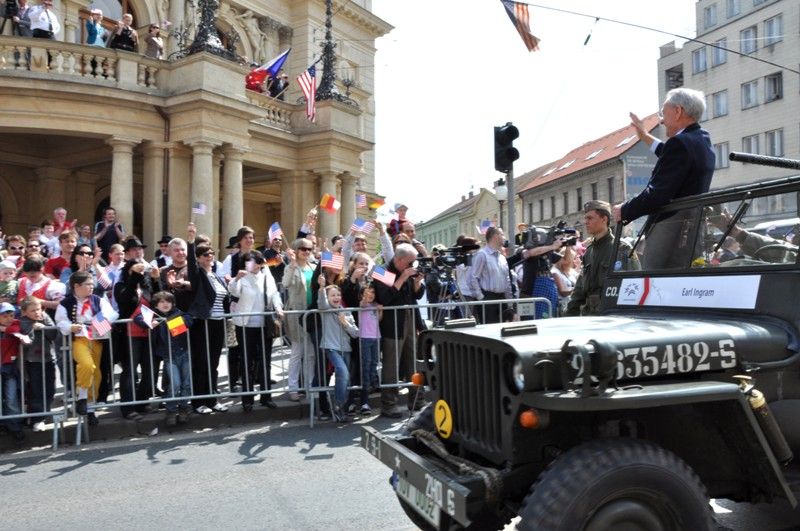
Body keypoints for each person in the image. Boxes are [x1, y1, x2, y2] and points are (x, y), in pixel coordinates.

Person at [613, 88, 715, 269]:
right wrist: (644, 137)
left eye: (663, 112)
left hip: (670, 235)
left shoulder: (680, 144)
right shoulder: (701, 139)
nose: (661, 120)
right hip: (689, 232)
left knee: (654, 286)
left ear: (678, 111)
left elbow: (658, 194)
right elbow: (671, 155)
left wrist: (625, 210)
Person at [55, 271, 118, 424]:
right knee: (86, 365)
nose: (91, 287)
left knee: (96, 373)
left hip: (96, 338)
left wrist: (101, 321)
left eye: (92, 284)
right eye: (88, 284)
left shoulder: (98, 299)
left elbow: (112, 314)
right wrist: (71, 327)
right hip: (79, 339)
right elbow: (60, 321)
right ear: (76, 286)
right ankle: (82, 398)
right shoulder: (66, 303)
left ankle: (90, 407)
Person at [373, 243, 426, 418]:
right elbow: (386, 297)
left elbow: (416, 295)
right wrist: (403, 277)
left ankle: (417, 400)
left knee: (413, 362)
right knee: (391, 366)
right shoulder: (382, 271)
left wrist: (417, 282)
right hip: (392, 322)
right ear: (398, 259)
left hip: (409, 318)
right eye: (409, 263)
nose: (412, 266)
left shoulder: (409, 270)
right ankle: (389, 405)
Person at [228, 250, 283, 411]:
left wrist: (278, 307)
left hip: (264, 324)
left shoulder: (266, 275)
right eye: (247, 261)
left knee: (265, 361)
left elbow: (274, 294)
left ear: (259, 263)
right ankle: (247, 399)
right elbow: (233, 291)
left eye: (252, 261)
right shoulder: (242, 277)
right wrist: (237, 277)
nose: (249, 264)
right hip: (245, 325)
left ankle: (266, 397)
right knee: (247, 361)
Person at [185, 223, 229, 414]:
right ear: (198, 258)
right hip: (202, 323)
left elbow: (226, 297)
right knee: (201, 362)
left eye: (211, 254)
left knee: (213, 362)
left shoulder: (216, 277)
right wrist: (191, 241)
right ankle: (198, 402)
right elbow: (190, 264)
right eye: (205, 255)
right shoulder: (198, 275)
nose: (210, 257)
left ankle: (212, 399)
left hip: (218, 324)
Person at [566, 201, 638, 316]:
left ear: (604, 219)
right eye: (585, 218)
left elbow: (635, 285)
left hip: (613, 315)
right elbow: (579, 289)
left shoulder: (622, 249)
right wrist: (568, 314)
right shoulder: (589, 251)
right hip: (590, 316)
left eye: (590, 218)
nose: (586, 222)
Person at [135, 291, 193, 426]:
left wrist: (173, 323)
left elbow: (189, 320)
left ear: (173, 303)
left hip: (184, 353)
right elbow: (138, 319)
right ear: (156, 305)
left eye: (168, 301)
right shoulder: (154, 315)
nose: (165, 304)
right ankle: (171, 410)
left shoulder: (178, 313)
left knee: (186, 383)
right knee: (175, 383)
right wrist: (150, 323)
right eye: (161, 302)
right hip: (169, 357)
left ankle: (184, 408)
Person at [317, 276, 359, 422]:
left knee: (345, 379)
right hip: (331, 347)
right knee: (342, 371)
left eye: (338, 295)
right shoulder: (326, 309)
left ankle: (340, 408)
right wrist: (322, 288)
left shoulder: (346, 311)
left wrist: (345, 323)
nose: (336, 297)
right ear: (328, 298)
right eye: (333, 295)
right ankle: (338, 405)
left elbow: (355, 333)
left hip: (345, 348)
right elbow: (321, 303)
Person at [18, 296, 57, 431]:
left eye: (38, 309)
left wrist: (45, 327)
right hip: (32, 360)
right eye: (33, 310)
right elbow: (26, 339)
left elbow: (54, 334)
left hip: (48, 358)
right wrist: (33, 329)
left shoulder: (44, 317)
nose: (37, 313)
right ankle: (37, 418)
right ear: (24, 312)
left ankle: (46, 412)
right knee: (36, 389)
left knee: (50, 387)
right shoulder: (23, 322)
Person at [466, 227, 513, 324]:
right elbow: (473, 278)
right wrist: (481, 298)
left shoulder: (502, 258)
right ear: (495, 236)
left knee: (503, 329)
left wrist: (509, 302)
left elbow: (507, 280)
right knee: (490, 330)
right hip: (488, 299)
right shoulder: (482, 255)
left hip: (502, 299)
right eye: (502, 234)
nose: (504, 237)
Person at [0, 302, 25, 441]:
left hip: (9, 368)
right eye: (4, 316)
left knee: (11, 398)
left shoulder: (15, 324)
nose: (9, 318)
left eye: (11, 315)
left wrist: (3, 328)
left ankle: (16, 426)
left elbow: (15, 328)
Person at [356, 284, 381, 415]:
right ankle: (364, 400)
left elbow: (379, 319)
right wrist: (365, 297)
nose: (370, 295)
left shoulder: (375, 305)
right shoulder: (363, 304)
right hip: (365, 338)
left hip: (376, 337)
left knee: (374, 363)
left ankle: (373, 385)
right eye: (367, 292)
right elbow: (363, 303)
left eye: (372, 292)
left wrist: (380, 310)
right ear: (362, 295)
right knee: (366, 366)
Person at [551, 247, 577, 316]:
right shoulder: (554, 272)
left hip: (573, 303)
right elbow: (563, 292)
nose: (574, 261)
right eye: (572, 259)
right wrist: (578, 289)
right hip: (563, 306)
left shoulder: (571, 271)